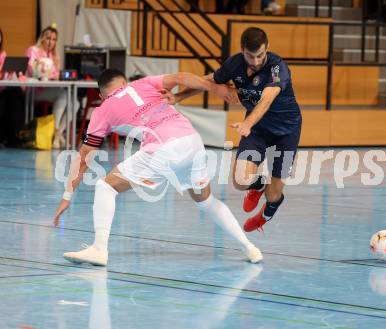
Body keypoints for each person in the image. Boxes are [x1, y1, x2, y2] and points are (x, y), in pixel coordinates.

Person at [53, 68, 263, 266]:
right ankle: (250, 248)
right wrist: (215, 88)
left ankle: (99, 249)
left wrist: (67, 195)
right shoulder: (144, 84)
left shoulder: (102, 111)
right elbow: (181, 77)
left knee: (105, 187)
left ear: (101, 96)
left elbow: (83, 158)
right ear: (125, 82)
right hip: (193, 141)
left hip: (164, 148)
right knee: (207, 201)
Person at [164, 27, 302, 232]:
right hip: (258, 130)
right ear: (242, 50)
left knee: (273, 194)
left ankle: (266, 214)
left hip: (286, 131)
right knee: (239, 181)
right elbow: (208, 81)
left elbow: (267, 99)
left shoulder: (277, 68)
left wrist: (247, 123)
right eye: (250, 56)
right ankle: (257, 185)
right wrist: (178, 97)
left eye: (260, 55)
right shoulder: (235, 64)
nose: (255, 61)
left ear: (267, 49)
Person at [26, 24, 77, 148]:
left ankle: (58, 132)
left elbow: (56, 75)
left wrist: (57, 65)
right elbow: (31, 70)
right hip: (34, 91)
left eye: (54, 39)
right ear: (42, 38)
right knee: (63, 96)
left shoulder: (54, 55)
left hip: (51, 90)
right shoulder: (33, 50)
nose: (51, 42)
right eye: (48, 38)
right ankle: (55, 133)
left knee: (75, 103)